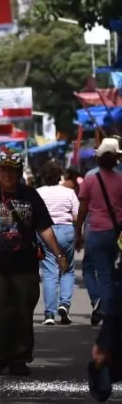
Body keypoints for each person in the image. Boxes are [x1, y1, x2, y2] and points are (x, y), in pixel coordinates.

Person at [0, 147, 67, 376]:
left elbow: (44, 228)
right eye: (4, 170)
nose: (8, 175)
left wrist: (58, 254)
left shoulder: (31, 196)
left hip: (23, 265)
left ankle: (19, 358)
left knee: (22, 311)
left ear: (19, 173)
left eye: (12, 171)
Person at [76, 138, 122, 327]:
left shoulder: (89, 179)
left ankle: (105, 310)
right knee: (110, 272)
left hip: (95, 231)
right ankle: (106, 306)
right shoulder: (120, 179)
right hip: (116, 234)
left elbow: (83, 208)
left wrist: (77, 231)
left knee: (98, 272)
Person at [35, 160, 78, 325]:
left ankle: (49, 314)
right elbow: (76, 216)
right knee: (67, 269)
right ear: (59, 176)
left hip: (45, 232)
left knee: (49, 272)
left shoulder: (38, 193)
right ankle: (64, 304)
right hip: (66, 231)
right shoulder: (68, 193)